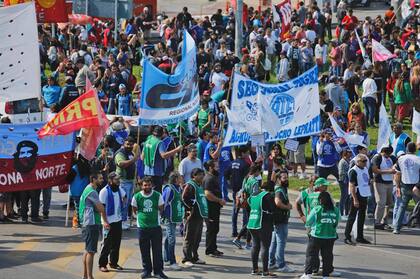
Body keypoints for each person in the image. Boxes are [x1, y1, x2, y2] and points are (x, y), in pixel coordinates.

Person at [132, 177, 168, 279]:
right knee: (144, 251)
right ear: (141, 186)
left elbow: (161, 208)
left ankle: (158, 271)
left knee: (157, 251)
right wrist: (140, 219)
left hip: (155, 227)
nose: (147, 187)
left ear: (152, 185)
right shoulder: (137, 196)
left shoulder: (157, 195)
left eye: (148, 185)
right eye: (145, 185)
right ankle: (146, 271)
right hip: (142, 228)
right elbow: (134, 210)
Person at [300, 192, 340, 279]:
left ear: (321, 200)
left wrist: (309, 230)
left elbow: (308, 222)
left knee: (311, 255)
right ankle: (325, 275)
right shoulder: (336, 210)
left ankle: (308, 274)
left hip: (316, 236)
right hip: (330, 237)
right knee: (327, 256)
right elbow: (336, 223)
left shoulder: (317, 209)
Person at [80, 172, 110, 279]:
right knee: (91, 251)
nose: (102, 180)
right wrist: (105, 220)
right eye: (100, 178)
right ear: (93, 179)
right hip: (91, 223)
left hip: (87, 223)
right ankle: (90, 276)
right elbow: (100, 208)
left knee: (87, 250)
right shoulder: (92, 192)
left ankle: (85, 276)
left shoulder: (88, 189)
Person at [98, 172, 126, 272]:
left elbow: (125, 196)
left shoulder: (119, 189)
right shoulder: (104, 192)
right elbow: (102, 208)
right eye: (116, 180)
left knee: (116, 244)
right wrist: (105, 222)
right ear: (110, 181)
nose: (118, 181)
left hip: (117, 220)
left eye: (119, 179)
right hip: (108, 222)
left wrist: (122, 205)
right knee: (106, 244)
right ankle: (102, 264)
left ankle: (113, 263)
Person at [247, 182, 275, 277]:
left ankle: (255, 269)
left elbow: (249, 204)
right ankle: (265, 271)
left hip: (252, 222)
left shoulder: (253, 195)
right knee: (265, 247)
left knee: (255, 246)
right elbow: (273, 209)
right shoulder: (268, 196)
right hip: (263, 223)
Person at [268, 170, 295, 273]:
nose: (286, 179)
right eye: (284, 178)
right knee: (281, 242)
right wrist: (287, 207)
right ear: (278, 179)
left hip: (278, 220)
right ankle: (281, 265)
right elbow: (277, 202)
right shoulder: (279, 190)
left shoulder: (281, 188)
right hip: (280, 220)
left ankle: (271, 263)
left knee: (274, 242)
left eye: (286, 177)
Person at [142, 126, 182, 193]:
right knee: (156, 193)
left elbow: (142, 157)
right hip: (156, 173)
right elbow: (163, 155)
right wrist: (177, 149)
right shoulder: (159, 143)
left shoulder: (147, 141)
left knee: (148, 192)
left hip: (146, 172)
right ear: (162, 133)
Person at [232, 163, 262, 250]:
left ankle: (246, 242)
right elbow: (255, 195)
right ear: (256, 171)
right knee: (250, 223)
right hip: (252, 204)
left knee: (249, 222)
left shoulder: (246, 178)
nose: (259, 174)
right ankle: (240, 240)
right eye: (259, 172)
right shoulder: (255, 182)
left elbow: (243, 189)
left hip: (246, 202)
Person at [181, 168, 208, 266]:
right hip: (192, 216)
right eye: (199, 174)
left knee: (197, 238)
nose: (202, 176)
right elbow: (184, 198)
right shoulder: (190, 185)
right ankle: (186, 258)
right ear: (194, 176)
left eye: (202, 174)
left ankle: (194, 257)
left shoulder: (200, 186)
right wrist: (190, 209)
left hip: (199, 215)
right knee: (189, 237)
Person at [344, 154, 372, 245]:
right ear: (357, 162)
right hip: (356, 195)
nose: (365, 163)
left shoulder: (365, 169)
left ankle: (360, 236)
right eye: (363, 161)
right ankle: (347, 237)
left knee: (362, 216)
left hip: (364, 194)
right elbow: (352, 186)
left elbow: (365, 180)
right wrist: (355, 199)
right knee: (352, 216)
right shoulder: (353, 171)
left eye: (366, 161)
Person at [393, 142, 420, 234]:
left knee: (402, 206)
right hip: (416, 186)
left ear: (406, 149)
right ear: (415, 149)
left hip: (404, 184)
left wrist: (397, 187)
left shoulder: (400, 159)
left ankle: (396, 227)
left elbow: (397, 174)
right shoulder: (418, 159)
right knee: (418, 206)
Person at [225, 146, 250, 237]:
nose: (248, 155)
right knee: (245, 212)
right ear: (242, 153)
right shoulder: (245, 164)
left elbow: (226, 174)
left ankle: (234, 231)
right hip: (243, 191)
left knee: (235, 211)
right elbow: (247, 178)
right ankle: (244, 232)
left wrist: (230, 183)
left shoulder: (232, 163)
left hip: (235, 190)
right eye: (247, 153)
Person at [114, 137, 138, 230]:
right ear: (124, 143)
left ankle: (125, 219)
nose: (129, 146)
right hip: (123, 181)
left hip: (131, 181)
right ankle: (121, 221)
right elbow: (121, 164)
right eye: (127, 144)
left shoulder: (131, 153)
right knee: (123, 202)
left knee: (128, 202)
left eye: (131, 144)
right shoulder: (120, 153)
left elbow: (134, 165)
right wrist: (133, 160)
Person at [203, 160, 226, 257]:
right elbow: (207, 194)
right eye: (216, 167)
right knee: (211, 229)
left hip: (215, 208)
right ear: (210, 168)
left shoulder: (213, 177)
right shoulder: (209, 178)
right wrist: (219, 200)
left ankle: (214, 248)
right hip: (210, 208)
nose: (218, 168)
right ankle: (209, 250)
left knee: (215, 228)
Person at [371, 146, 397, 229]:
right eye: (387, 154)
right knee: (381, 203)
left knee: (389, 203)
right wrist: (389, 171)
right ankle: (377, 222)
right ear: (383, 152)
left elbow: (396, 163)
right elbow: (375, 170)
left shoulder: (391, 157)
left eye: (390, 154)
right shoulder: (377, 158)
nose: (389, 156)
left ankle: (384, 221)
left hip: (389, 182)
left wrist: (394, 166)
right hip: (379, 182)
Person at [162, 172, 184, 270]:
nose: (181, 179)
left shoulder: (179, 188)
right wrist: (162, 215)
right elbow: (163, 203)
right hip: (169, 218)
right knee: (172, 239)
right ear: (175, 179)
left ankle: (166, 258)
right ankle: (172, 261)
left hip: (175, 217)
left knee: (168, 237)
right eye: (180, 177)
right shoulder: (169, 189)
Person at [338, 149, 352, 219]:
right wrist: (348, 173)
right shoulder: (342, 161)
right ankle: (341, 213)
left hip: (348, 181)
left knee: (347, 198)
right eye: (349, 152)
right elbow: (341, 173)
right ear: (345, 153)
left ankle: (346, 213)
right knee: (343, 197)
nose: (350, 154)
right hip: (343, 181)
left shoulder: (349, 160)